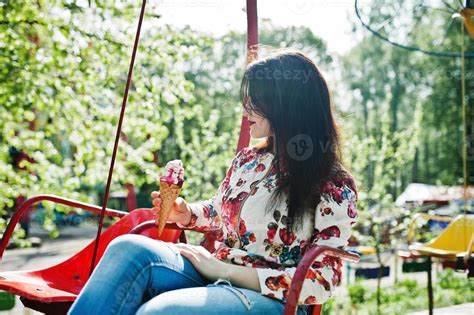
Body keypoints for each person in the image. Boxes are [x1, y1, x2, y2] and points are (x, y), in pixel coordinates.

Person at [68, 49, 358, 315]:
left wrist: (222, 269)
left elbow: (322, 279)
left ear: (288, 105)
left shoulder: (331, 183)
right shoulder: (248, 161)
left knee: (161, 312)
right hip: (216, 268)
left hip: (272, 299)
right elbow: (221, 211)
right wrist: (187, 213)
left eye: (255, 103)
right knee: (128, 248)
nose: (246, 112)